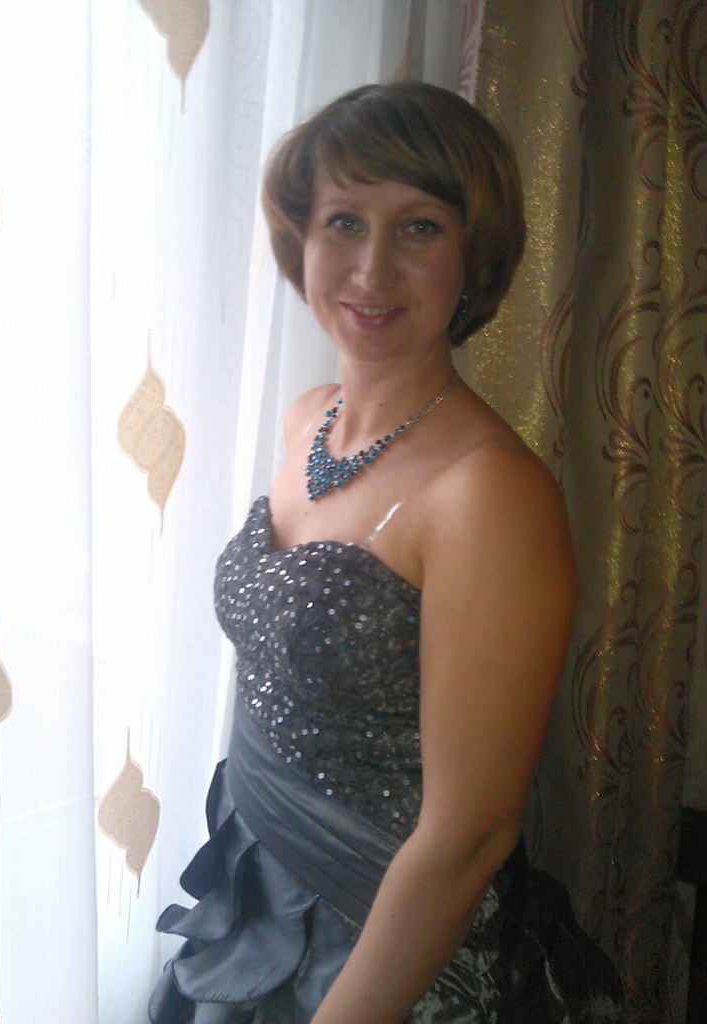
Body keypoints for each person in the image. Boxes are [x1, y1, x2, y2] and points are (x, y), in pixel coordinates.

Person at [149, 82, 622, 1024]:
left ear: (473, 255)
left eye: (419, 228)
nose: (370, 269)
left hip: (388, 955)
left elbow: (468, 837)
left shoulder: (491, 495)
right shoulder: (307, 420)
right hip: (255, 906)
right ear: (301, 238)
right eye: (343, 222)